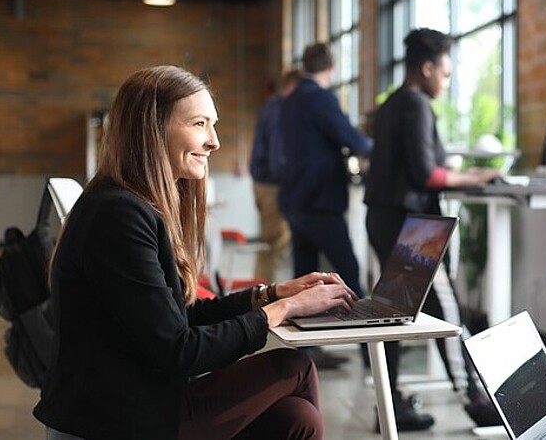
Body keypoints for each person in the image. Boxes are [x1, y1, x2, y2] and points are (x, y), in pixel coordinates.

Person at [33, 65, 357, 440]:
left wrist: (271, 294)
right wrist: (284, 310)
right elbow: (180, 350)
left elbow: (178, 320)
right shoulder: (117, 215)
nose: (214, 142)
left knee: (297, 418)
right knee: (295, 367)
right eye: (200, 124)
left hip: (134, 401)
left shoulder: (128, 204)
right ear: (152, 130)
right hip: (110, 420)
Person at [364, 27, 503, 431]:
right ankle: (473, 398)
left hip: (385, 216)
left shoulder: (391, 104)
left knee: (392, 313)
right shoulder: (417, 105)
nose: (446, 80)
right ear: (426, 69)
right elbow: (427, 173)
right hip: (410, 225)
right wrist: (474, 177)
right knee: (447, 309)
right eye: (444, 73)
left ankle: (387, 406)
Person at [280, 43, 372, 368]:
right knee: (347, 272)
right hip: (320, 200)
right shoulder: (319, 97)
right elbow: (354, 139)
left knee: (304, 278)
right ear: (330, 68)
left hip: (295, 199)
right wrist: (377, 145)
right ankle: (370, 352)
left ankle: (303, 355)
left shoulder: (289, 101)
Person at [249, 70, 302, 283]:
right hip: (272, 185)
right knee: (275, 243)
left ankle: (259, 288)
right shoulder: (280, 107)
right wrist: (286, 179)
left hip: (262, 182)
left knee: (270, 242)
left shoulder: (271, 104)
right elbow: (276, 151)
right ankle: (262, 293)